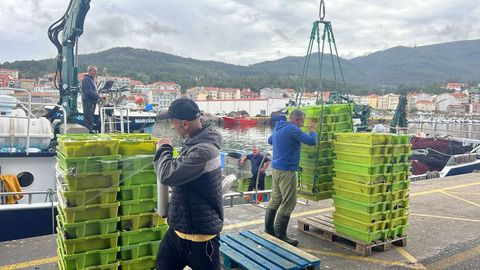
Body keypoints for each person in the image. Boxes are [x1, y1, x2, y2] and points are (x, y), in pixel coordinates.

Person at [154, 98, 223, 270]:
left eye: (173, 123)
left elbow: (166, 174)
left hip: (201, 240)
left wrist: (164, 148)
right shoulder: (194, 141)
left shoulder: (203, 151)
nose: (172, 127)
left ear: (184, 124)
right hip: (177, 232)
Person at [265, 109, 317, 246]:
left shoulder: (279, 127)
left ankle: (268, 230)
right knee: (289, 202)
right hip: (287, 170)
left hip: (276, 169)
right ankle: (280, 234)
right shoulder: (293, 129)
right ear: (295, 120)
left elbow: (270, 140)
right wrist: (312, 130)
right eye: (302, 121)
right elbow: (311, 141)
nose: (302, 124)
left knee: (276, 199)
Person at [81, 65, 99, 132]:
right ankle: (88, 132)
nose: (95, 73)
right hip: (88, 102)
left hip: (92, 102)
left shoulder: (91, 79)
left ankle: (88, 131)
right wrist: (98, 96)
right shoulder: (86, 79)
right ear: (89, 71)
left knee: (90, 118)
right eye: (94, 71)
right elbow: (89, 91)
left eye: (96, 71)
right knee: (88, 119)